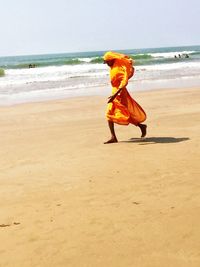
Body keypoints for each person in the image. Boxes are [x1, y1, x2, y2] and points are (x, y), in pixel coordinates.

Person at [103, 51, 147, 144]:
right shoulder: (113, 67)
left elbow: (124, 82)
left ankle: (114, 137)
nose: (106, 64)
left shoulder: (119, 68)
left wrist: (115, 95)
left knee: (112, 113)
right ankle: (140, 126)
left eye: (107, 62)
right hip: (115, 92)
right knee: (120, 113)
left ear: (112, 60)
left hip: (120, 93)